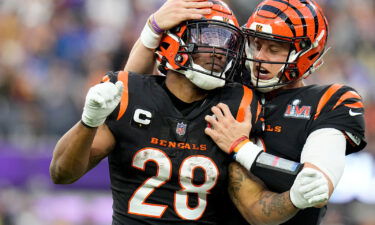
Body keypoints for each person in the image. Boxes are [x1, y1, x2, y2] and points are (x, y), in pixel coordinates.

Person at [50, 0, 331, 225]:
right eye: (209, 37)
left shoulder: (236, 105)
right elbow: (61, 173)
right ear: (173, 40)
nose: (220, 51)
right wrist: (89, 122)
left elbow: (254, 208)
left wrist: (294, 198)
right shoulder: (131, 92)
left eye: (228, 42)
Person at [203, 0, 366, 224]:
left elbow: (315, 186)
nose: (259, 57)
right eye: (256, 44)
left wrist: (241, 148)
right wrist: (152, 33)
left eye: (274, 49)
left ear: (306, 53)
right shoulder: (226, 83)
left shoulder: (330, 100)